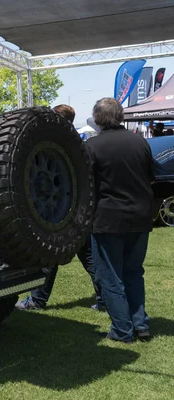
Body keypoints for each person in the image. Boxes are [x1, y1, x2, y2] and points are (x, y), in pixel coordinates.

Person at [16, 104, 104, 311]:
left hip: (57, 211)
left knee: (49, 257)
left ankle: (37, 300)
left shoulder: (55, 143)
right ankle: (105, 299)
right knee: (89, 258)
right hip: (81, 211)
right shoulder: (79, 144)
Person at [86, 98, 155, 343]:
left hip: (108, 218)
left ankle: (123, 330)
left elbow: (86, 185)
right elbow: (151, 177)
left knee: (110, 276)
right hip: (140, 216)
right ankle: (140, 325)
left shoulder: (92, 146)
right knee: (134, 271)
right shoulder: (140, 142)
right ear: (121, 116)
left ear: (97, 119)